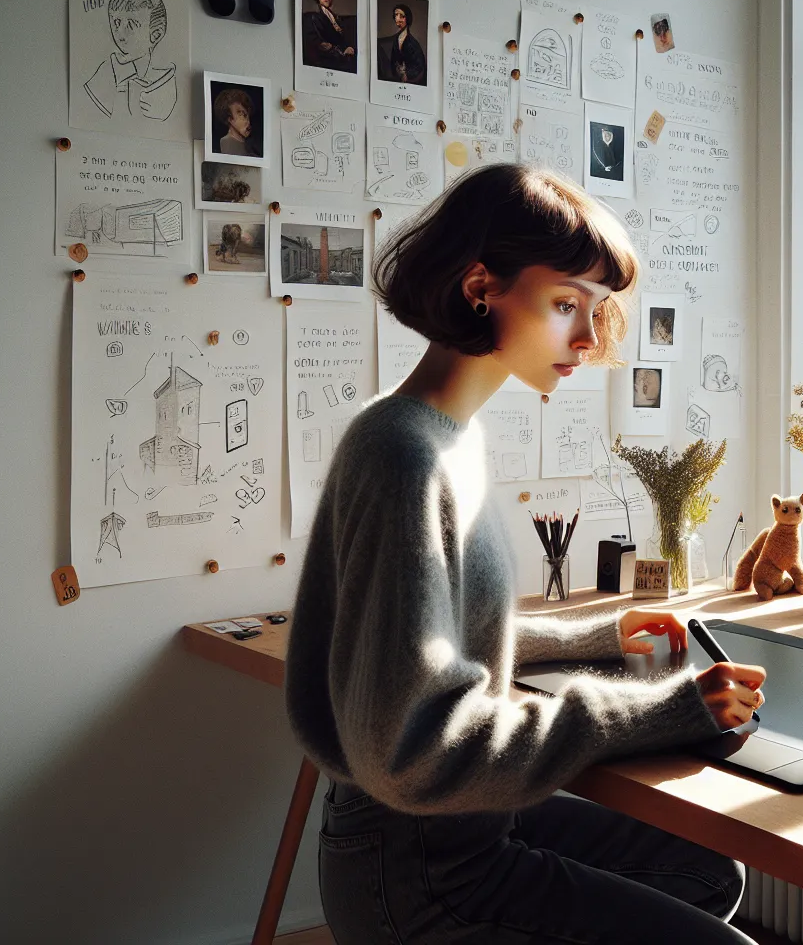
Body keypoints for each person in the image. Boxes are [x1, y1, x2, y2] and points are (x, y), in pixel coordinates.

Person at [287, 165, 767, 944]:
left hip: (463, 827)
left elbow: (439, 640)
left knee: (710, 871)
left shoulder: (445, 437)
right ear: (483, 286)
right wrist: (660, 710)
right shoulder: (403, 455)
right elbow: (409, 752)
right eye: (564, 303)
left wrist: (605, 635)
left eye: (595, 307)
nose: (587, 335)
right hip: (417, 871)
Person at [83, 0, 177, 122]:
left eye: (131, 24)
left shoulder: (165, 78)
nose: (119, 30)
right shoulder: (108, 70)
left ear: (156, 34)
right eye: (116, 22)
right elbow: (92, 111)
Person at [302, 0, 357, 73]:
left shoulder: (334, 16)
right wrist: (342, 50)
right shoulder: (315, 17)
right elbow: (322, 42)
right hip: (330, 57)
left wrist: (348, 47)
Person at [379, 2, 428, 85]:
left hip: (412, 81)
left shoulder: (413, 43)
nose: (397, 19)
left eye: (401, 16)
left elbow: (419, 65)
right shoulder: (396, 39)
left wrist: (407, 74)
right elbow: (393, 60)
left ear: (407, 18)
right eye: (396, 15)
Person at [212, 87, 258, 157]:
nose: (248, 121)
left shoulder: (251, 147)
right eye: (242, 115)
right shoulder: (226, 143)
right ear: (230, 119)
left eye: (248, 114)